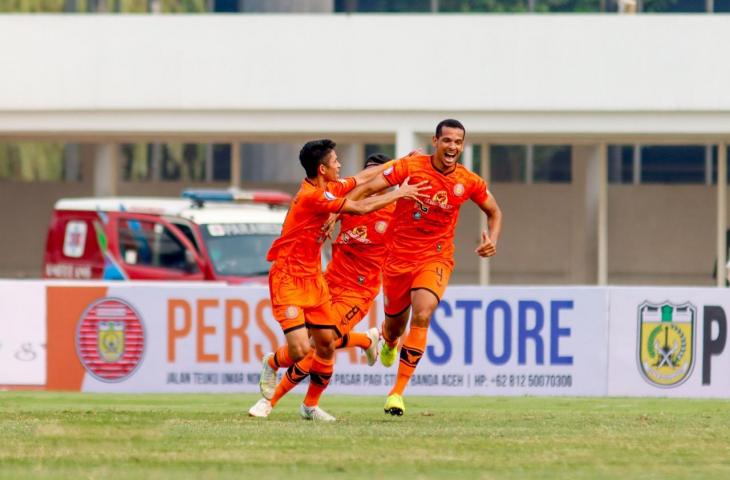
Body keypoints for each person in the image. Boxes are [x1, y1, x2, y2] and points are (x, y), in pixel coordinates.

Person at [248, 140, 428, 421]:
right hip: (294, 276)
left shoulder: (336, 193)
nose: (340, 166)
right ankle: (274, 365)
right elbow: (357, 207)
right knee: (301, 349)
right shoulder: (318, 198)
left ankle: (295, 404)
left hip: (341, 285)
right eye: (335, 161)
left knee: (325, 344)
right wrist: (398, 193)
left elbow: (362, 178)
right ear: (323, 168)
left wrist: (404, 161)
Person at [347, 119, 503, 416]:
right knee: (395, 327)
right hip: (397, 260)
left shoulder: (468, 180)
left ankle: (396, 393)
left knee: (422, 313)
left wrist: (492, 238)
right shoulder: (411, 168)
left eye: (458, 142)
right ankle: (388, 339)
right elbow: (368, 187)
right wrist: (336, 211)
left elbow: (494, 211)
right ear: (435, 141)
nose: (453, 147)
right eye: (447, 141)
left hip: (436, 257)